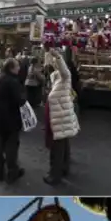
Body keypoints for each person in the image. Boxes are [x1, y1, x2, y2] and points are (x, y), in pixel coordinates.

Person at [44, 48, 79, 186]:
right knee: (63, 147)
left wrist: (58, 56)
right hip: (60, 119)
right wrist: (50, 59)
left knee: (57, 149)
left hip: (60, 119)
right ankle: (64, 169)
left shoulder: (65, 77)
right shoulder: (57, 79)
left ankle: (55, 176)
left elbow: (62, 69)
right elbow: (53, 70)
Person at [0, 57, 27, 184]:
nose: (19, 68)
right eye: (17, 66)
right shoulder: (13, 82)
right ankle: (12, 172)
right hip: (11, 119)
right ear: (11, 68)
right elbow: (20, 101)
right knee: (11, 147)